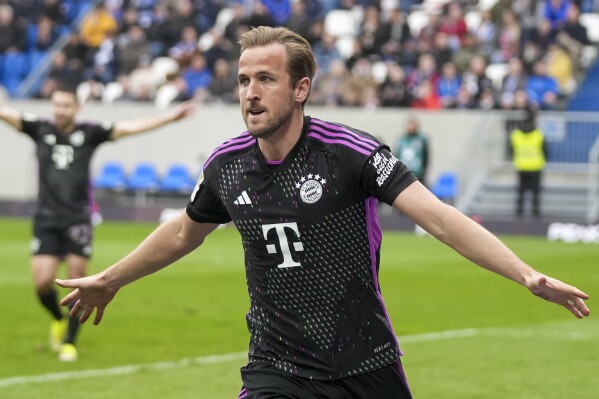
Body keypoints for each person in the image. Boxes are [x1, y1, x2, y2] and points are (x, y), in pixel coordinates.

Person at [56, 27, 589, 398]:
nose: (250, 93)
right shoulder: (226, 167)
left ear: (301, 88)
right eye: (243, 81)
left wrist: (525, 274)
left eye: (266, 79)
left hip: (365, 361)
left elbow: (440, 218)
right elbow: (180, 235)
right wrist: (112, 279)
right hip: (276, 365)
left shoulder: (351, 154)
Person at [0, 88, 196, 362]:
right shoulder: (39, 128)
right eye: (57, 105)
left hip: (78, 217)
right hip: (46, 217)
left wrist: (169, 118)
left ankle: (69, 341)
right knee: (43, 282)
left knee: (79, 282)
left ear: (76, 108)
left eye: (66, 105)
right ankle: (58, 318)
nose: (60, 110)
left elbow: (129, 127)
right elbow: (7, 113)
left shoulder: (90, 133)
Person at [510, 107, 548, 217]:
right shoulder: (539, 134)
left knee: (521, 191)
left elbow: (511, 149)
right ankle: (536, 213)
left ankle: (519, 213)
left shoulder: (516, 134)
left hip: (521, 165)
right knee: (535, 192)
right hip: (536, 166)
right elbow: (545, 150)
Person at [395, 115, 430, 187]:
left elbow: (426, 156)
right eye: (409, 124)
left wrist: (423, 171)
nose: (410, 126)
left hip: (418, 174)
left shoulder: (421, 139)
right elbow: (397, 155)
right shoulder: (402, 139)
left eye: (412, 124)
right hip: (403, 174)